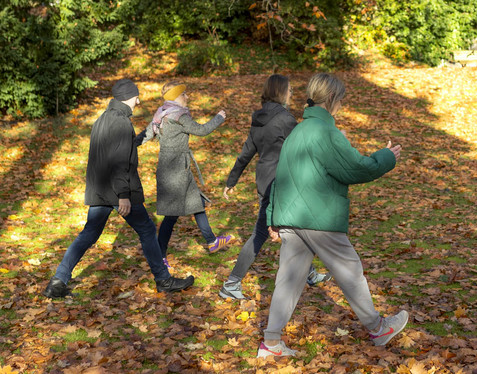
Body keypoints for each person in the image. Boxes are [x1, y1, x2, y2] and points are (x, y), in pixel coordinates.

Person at [257, 73, 408, 358]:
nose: (342, 105)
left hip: (292, 219)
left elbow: (280, 177)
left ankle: (271, 343)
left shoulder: (299, 131)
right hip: (319, 218)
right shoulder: (325, 133)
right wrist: (386, 157)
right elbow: (355, 168)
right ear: (334, 101)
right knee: (350, 271)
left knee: (287, 282)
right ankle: (378, 328)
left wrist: (273, 217)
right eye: (342, 100)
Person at [43, 79, 194, 298]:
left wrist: (146, 134)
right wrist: (123, 196)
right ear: (131, 97)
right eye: (137, 96)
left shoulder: (102, 120)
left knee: (89, 234)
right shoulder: (122, 123)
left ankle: (58, 281)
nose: (139, 100)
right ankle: (163, 280)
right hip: (119, 191)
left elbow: (115, 151)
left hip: (100, 190)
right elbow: (120, 162)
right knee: (148, 230)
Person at [219, 74, 330, 300]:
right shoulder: (284, 119)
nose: (291, 94)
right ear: (281, 92)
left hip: (265, 180)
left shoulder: (259, 118)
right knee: (262, 233)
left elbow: (246, 152)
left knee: (297, 227)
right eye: (289, 90)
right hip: (282, 183)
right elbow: (303, 143)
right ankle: (231, 284)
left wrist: (232, 180)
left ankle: (308, 273)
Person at [136, 81, 231, 266]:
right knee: (171, 216)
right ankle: (160, 257)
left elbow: (146, 135)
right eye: (184, 94)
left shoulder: (161, 114)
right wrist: (219, 118)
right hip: (177, 170)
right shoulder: (179, 116)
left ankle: (211, 241)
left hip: (169, 169)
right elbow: (202, 130)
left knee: (197, 203)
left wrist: (130, 143)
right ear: (176, 97)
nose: (187, 97)